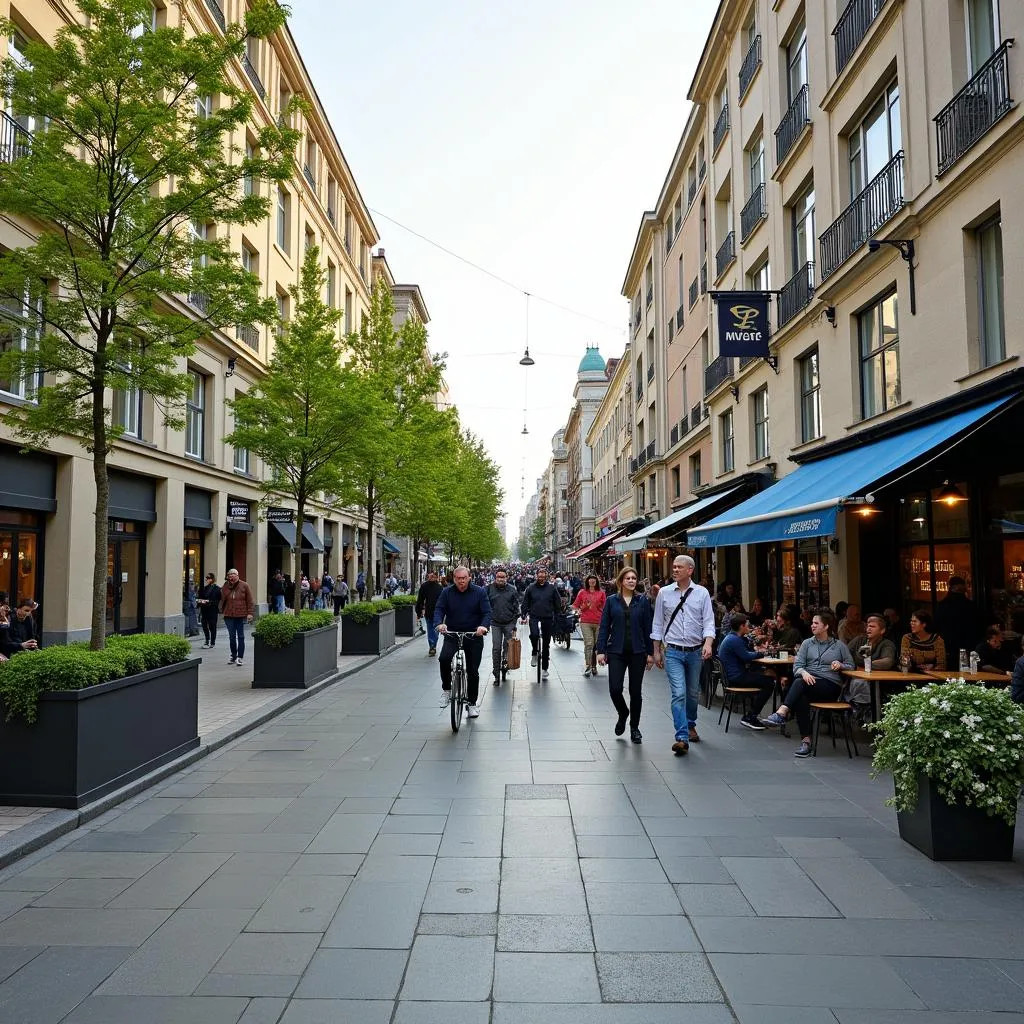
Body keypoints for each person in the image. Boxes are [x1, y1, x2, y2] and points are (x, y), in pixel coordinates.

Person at [760, 609, 855, 757]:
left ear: (826, 626)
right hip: (808, 683)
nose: (812, 625)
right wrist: (804, 672)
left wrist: (840, 664)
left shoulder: (839, 646)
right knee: (800, 696)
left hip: (829, 686)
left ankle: (782, 712)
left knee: (799, 684)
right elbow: (797, 667)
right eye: (812, 623)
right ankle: (806, 741)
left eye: (816, 623)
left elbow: (851, 665)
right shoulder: (806, 643)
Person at [651, 554, 716, 757]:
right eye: (674, 567)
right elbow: (658, 622)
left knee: (693, 693)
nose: (675, 570)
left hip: (696, 651)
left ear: (690, 570)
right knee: (678, 693)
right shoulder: (664, 593)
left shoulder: (702, 593)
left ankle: (690, 724)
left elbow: (709, 621)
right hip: (673, 652)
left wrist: (708, 643)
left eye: (680, 567)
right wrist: (656, 651)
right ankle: (682, 737)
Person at [596, 567, 653, 743]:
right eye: (628, 578)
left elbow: (648, 628)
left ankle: (634, 727)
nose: (631, 581)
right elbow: (604, 626)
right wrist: (600, 650)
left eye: (634, 578)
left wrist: (650, 653)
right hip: (616, 651)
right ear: (621, 581)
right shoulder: (612, 601)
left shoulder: (642, 601)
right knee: (615, 689)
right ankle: (623, 712)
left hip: (637, 652)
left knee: (636, 692)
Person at [433, 567, 491, 718]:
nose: (461, 581)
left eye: (464, 578)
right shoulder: (447, 592)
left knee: (473, 671)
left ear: (469, 577)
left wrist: (483, 626)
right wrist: (439, 624)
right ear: (454, 579)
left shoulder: (479, 592)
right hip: (452, 633)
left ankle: (472, 703)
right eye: (458, 578)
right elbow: (439, 609)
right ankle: (447, 690)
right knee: (444, 659)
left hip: (473, 635)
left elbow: (487, 612)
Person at [717, 612, 775, 731]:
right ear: (741, 626)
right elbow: (746, 657)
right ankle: (751, 716)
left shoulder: (733, 638)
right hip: (736, 678)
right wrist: (762, 653)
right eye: (747, 625)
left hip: (733, 676)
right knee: (769, 683)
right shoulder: (734, 640)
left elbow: (746, 652)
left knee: (764, 676)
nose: (749, 628)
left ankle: (753, 713)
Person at [520, 567, 562, 680]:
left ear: (546, 576)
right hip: (534, 615)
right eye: (540, 576)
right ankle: (534, 652)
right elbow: (525, 602)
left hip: (547, 617)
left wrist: (557, 614)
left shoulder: (552, 588)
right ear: (536, 576)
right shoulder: (531, 588)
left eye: (543, 576)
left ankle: (545, 668)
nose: (541, 578)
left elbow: (557, 602)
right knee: (534, 634)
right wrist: (523, 614)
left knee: (546, 644)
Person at [934, 575, 983, 664]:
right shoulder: (970, 605)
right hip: (967, 646)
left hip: (948, 646)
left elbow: (937, 625)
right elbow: (978, 625)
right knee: (965, 672)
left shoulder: (943, 605)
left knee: (950, 674)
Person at [486, 569, 520, 683]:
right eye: (498, 577)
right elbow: (485, 604)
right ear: (495, 577)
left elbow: (516, 606)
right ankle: (496, 673)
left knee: (507, 647)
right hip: (495, 623)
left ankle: (505, 665)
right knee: (496, 648)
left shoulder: (512, 589)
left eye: (503, 577)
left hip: (509, 622)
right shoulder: (489, 589)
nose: (501, 579)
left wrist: (514, 621)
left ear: (506, 577)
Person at [573, 574, 606, 678]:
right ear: (587, 582)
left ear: (596, 582)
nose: (592, 582)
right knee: (589, 643)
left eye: (594, 581)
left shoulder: (601, 593)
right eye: (590, 581)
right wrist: (580, 609)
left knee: (596, 645)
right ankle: (588, 666)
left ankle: (594, 666)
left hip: (599, 621)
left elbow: (606, 607)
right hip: (585, 621)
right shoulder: (582, 592)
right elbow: (575, 605)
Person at [219, 568, 254, 666]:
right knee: (231, 637)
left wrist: (250, 613)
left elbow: (250, 600)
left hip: (240, 614)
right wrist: (227, 587)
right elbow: (222, 598)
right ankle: (233, 655)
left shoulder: (244, 585)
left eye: (233, 575)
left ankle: (240, 657)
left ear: (237, 575)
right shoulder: (226, 586)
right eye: (229, 575)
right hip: (229, 614)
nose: (231, 577)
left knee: (241, 636)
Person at [416, 570, 444, 657]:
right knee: (430, 629)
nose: (431, 577)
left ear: (436, 577)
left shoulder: (440, 588)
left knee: (436, 629)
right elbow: (420, 599)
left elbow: (443, 601)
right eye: (430, 576)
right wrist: (419, 611)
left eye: (433, 576)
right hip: (429, 611)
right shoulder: (424, 586)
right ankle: (432, 645)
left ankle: (433, 644)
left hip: (438, 613)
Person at [197, 573, 221, 650]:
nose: (206, 579)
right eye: (206, 578)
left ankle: (212, 642)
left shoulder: (217, 589)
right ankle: (207, 640)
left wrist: (210, 602)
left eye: (208, 578)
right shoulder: (204, 588)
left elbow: (218, 600)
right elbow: (200, 598)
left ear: (212, 579)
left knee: (212, 626)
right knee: (204, 626)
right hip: (204, 610)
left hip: (213, 610)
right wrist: (200, 601)